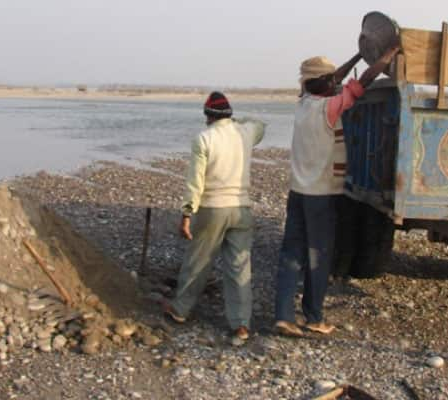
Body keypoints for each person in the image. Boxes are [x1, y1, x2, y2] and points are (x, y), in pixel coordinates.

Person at [274, 45, 400, 337]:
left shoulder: (304, 103)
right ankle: (314, 317)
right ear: (327, 84)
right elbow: (363, 82)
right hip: (322, 196)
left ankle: (282, 316)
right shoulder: (329, 109)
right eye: (333, 80)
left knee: (291, 254)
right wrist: (386, 57)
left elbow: (336, 78)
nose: (337, 83)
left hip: (298, 192)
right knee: (319, 255)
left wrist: (357, 56)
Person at [162, 91, 265, 342]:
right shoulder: (246, 133)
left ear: (208, 116)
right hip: (242, 208)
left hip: (212, 208)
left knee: (198, 261)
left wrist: (187, 213)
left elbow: (195, 181)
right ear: (229, 114)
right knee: (239, 267)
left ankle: (180, 309)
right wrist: (237, 120)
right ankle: (240, 323)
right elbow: (260, 123)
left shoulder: (204, 139)